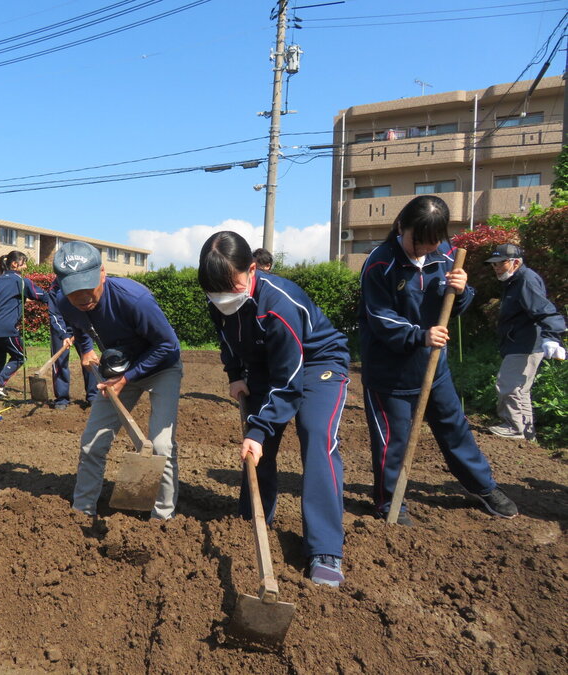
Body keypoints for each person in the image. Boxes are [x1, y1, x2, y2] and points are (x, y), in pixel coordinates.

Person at [199, 231, 350, 588]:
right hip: (267, 367)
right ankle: (253, 517)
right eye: (214, 292)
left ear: (252, 269)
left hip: (316, 364)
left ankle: (326, 548)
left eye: (231, 287)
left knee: (316, 436)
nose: (222, 298)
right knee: (258, 448)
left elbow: (289, 381)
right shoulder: (219, 297)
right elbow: (227, 342)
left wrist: (258, 429)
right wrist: (236, 375)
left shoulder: (278, 304)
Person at [359, 195, 518, 524]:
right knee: (393, 441)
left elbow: (455, 307)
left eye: (433, 243)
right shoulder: (380, 263)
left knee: (455, 429)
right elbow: (380, 317)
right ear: (402, 226)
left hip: (434, 366)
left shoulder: (446, 256)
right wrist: (420, 335)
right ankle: (390, 503)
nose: (425, 249)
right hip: (390, 374)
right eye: (419, 241)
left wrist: (462, 291)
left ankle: (483, 487)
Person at [53, 241, 182, 520]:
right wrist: (86, 349)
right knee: (92, 443)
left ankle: (162, 519)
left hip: (161, 366)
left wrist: (130, 377)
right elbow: (80, 325)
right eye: (74, 291)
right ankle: (82, 511)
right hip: (118, 369)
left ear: (102, 273)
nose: (83, 297)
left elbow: (169, 346)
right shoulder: (67, 303)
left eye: (88, 287)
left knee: (161, 446)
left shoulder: (134, 299)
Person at [484, 243, 566, 440]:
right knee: (521, 390)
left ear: (515, 262)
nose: (496, 268)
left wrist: (552, 337)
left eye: (500, 263)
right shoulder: (514, 281)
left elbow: (543, 309)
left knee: (509, 385)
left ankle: (514, 427)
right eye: (493, 264)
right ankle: (527, 435)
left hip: (525, 344)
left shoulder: (525, 280)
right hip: (519, 342)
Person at [0, 250, 49, 398]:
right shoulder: (21, 281)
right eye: (24, 263)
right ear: (14, 264)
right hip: (6, 328)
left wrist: (23, 299)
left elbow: (8, 299)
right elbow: (42, 296)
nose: (25, 267)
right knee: (20, 356)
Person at [47, 277, 98, 410]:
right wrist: (64, 333)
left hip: (82, 322)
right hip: (61, 326)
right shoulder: (55, 287)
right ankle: (62, 398)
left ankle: (93, 396)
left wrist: (83, 326)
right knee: (60, 361)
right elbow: (54, 315)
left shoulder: (82, 283)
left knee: (89, 358)